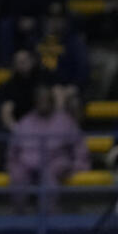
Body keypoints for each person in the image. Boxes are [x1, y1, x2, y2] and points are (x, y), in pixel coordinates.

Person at [7, 85, 89, 213]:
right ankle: (20, 216)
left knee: (48, 178)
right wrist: (14, 166)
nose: (43, 103)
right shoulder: (25, 122)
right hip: (27, 165)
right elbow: (13, 152)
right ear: (35, 102)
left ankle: (49, 222)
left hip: (55, 163)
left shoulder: (65, 121)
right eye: (40, 100)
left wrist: (79, 164)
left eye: (46, 99)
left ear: (52, 101)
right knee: (18, 176)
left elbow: (79, 146)